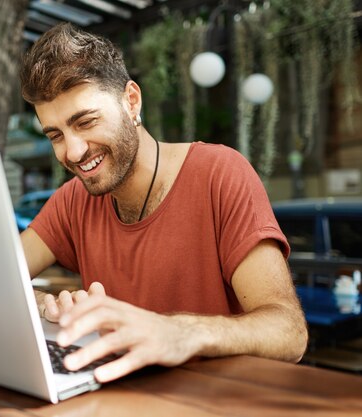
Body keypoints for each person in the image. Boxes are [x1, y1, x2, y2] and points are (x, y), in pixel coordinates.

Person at [18, 23, 308, 384]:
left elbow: (289, 331)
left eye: (86, 121)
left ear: (131, 101)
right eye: (56, 135)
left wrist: (178, 332)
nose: (73, 151)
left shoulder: (219, 172)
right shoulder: (72, 201)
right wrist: (43, 303)